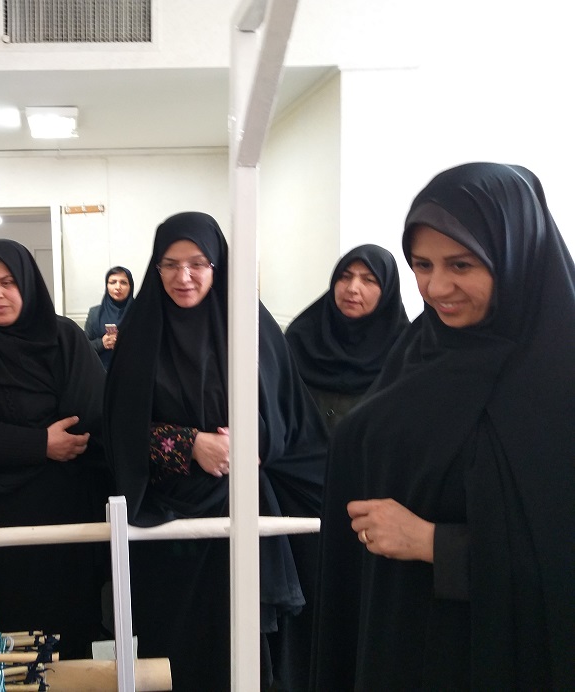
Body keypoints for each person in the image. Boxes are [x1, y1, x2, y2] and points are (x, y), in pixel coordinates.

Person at [311, 163, 575, 690]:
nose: (436, 287)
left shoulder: (558, 376)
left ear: (515, 256)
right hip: (396, 631)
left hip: (495, 655)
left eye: (461, 264)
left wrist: (435, 544)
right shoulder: (418, 351)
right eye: (421, 264)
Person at [104, 212, 328, 691]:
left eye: (197, 263)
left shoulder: (251, 325)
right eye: (169, 264)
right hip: (170, 526)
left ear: (217, 265)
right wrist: (190, 446)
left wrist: (251, 444)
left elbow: (288, 413)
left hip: (244, 509)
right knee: (182, 648)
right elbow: (120, 432)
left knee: (245, 648)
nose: (183, 276)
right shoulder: (140, 335)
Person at [0, 239, 110, 659]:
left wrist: (9, 441)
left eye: (8, 282)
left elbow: (87, 422)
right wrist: (40, 442)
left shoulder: (65, 339)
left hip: (63, 516)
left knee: (66, 636)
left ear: (28, 283)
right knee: (1, 637)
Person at [285, 245, 408, 429]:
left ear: (387, 290)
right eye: (345, 277)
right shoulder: (301, 337)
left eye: (368, 280)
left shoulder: (405, 349)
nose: (352, 288)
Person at [83, 266, 134, 370]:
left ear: (130, 286)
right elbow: (84, 347)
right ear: (107, 286)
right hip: (101, 373)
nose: (118, 287)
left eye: (123, 282)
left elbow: (152, 346)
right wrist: (102, 343)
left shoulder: (140, 311)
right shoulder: (95, 313)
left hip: (133, 371)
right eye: (113, 282)